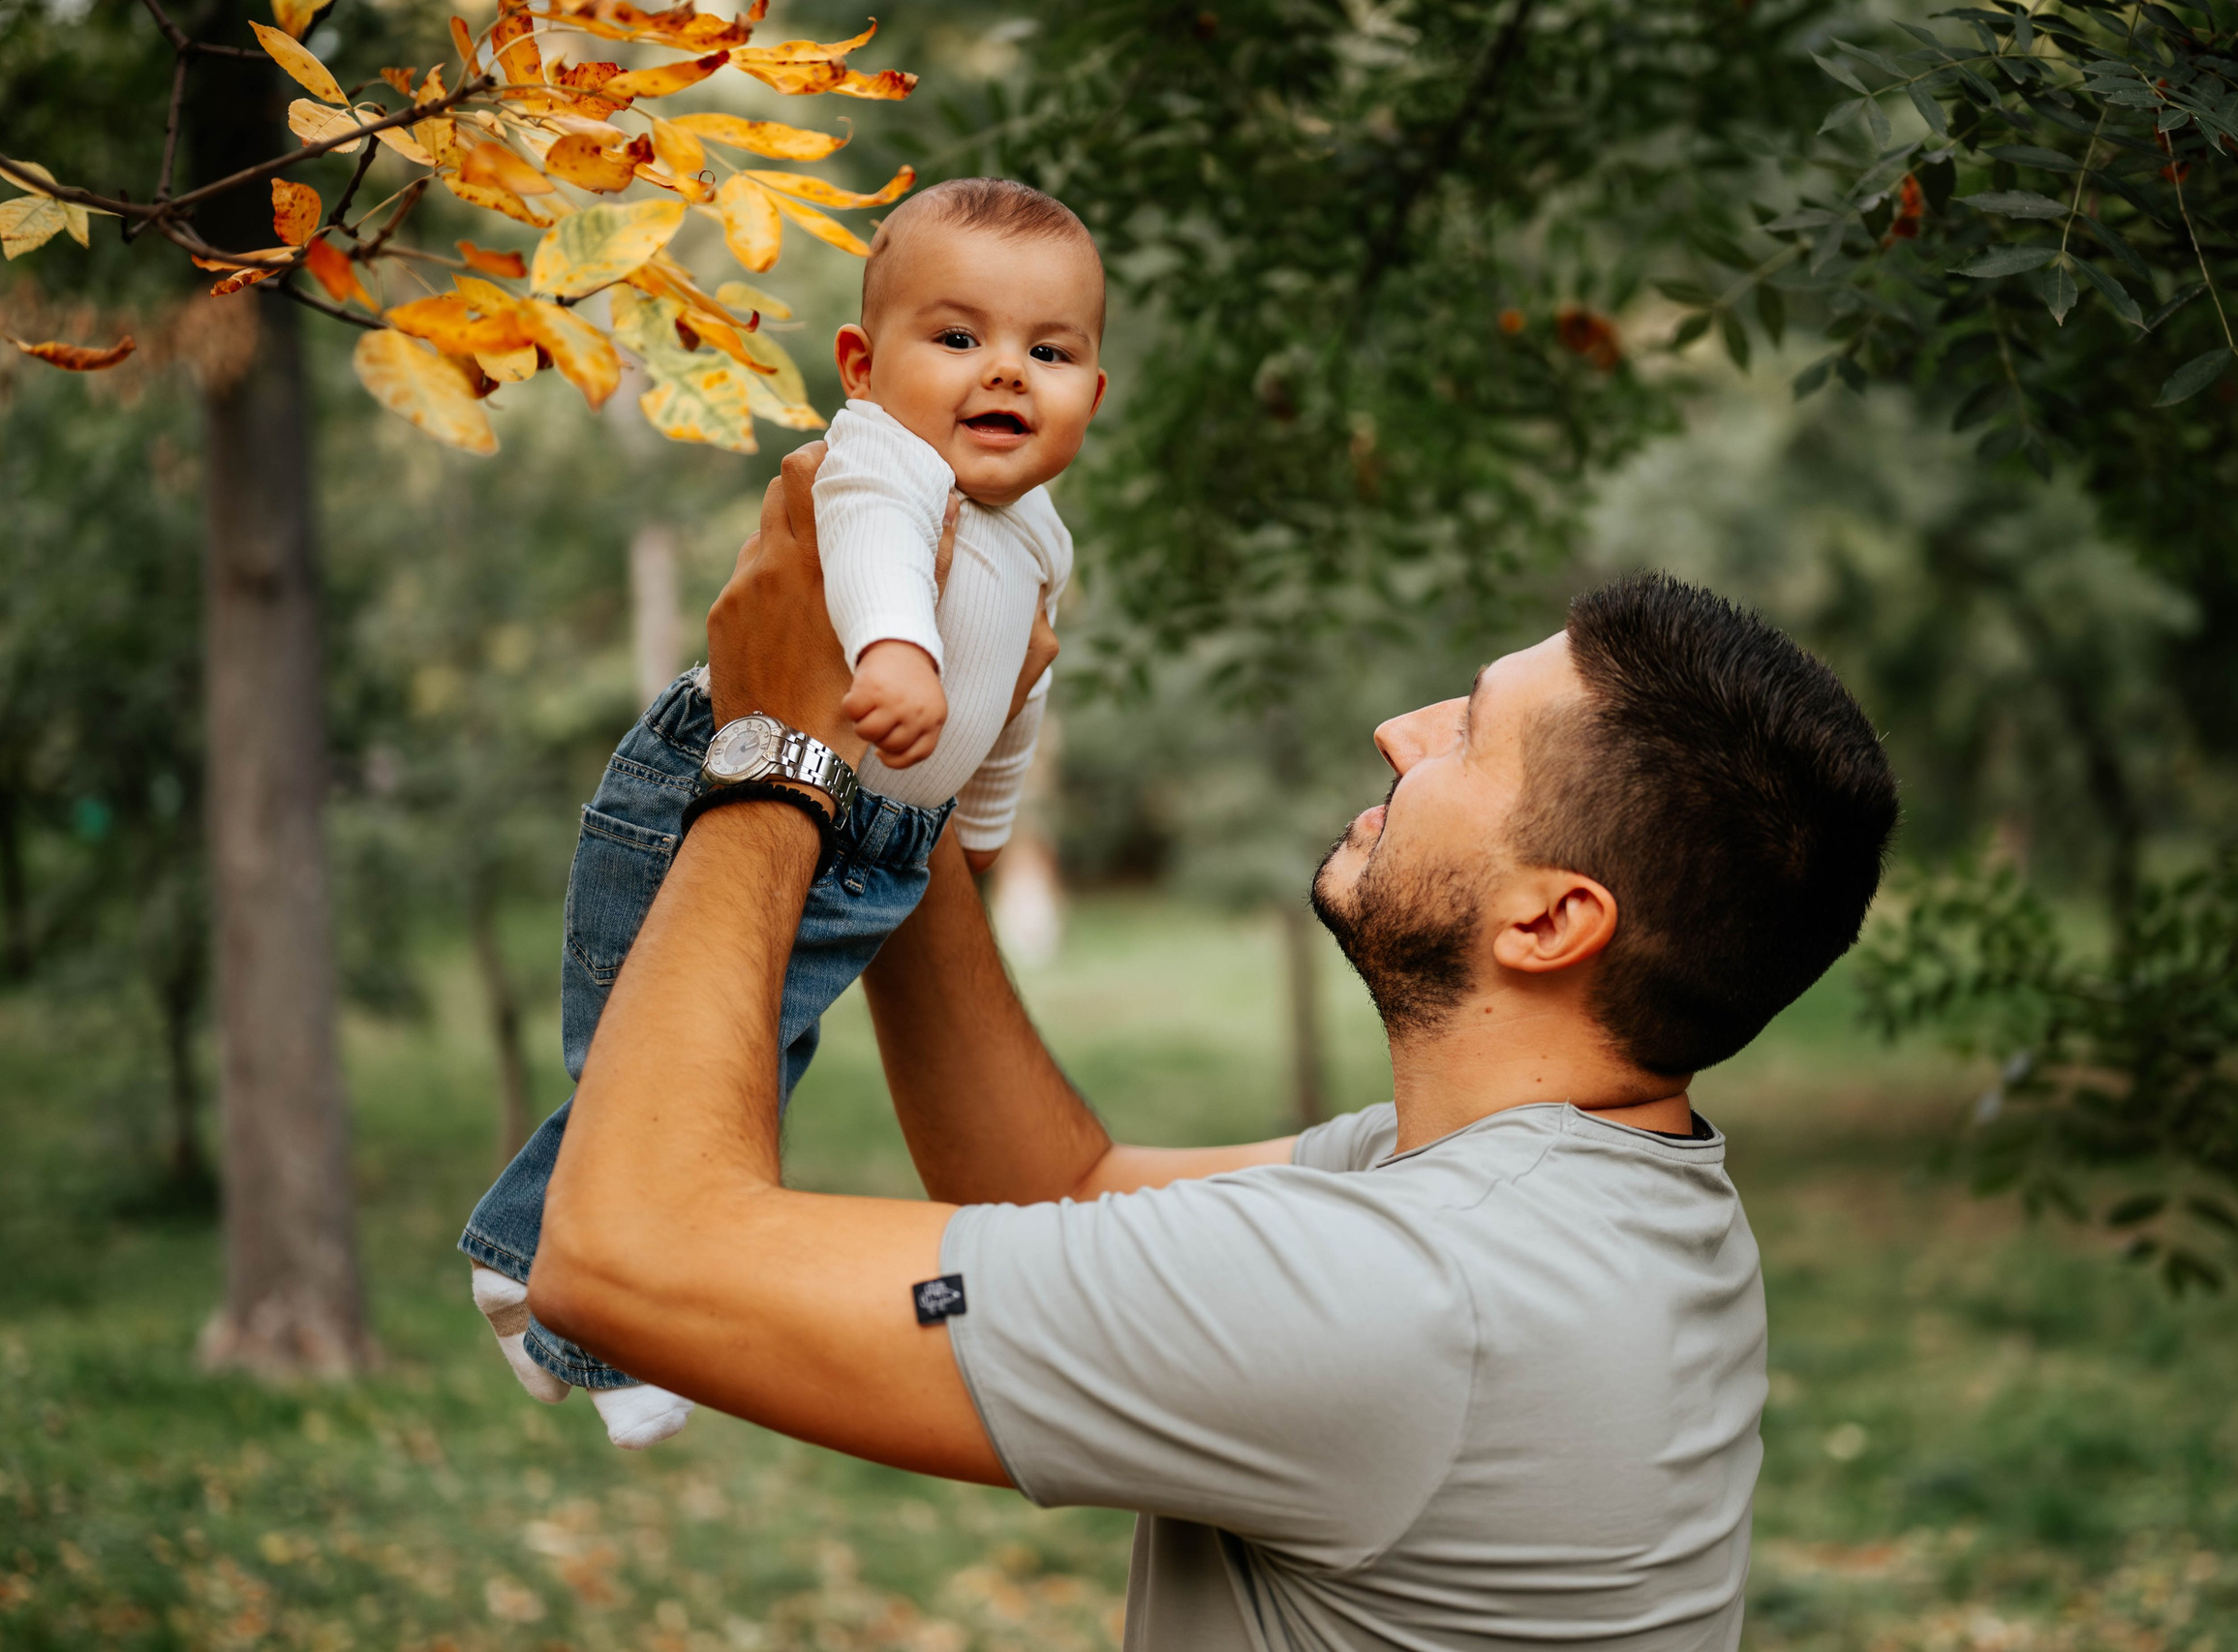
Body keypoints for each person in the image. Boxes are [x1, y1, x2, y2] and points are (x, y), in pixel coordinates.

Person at [527, 447, 1900, 1649]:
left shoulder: (1415, 1298)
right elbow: (1060, 1186)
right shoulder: (1557, 1189)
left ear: (1551, 919)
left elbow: (620, 1256)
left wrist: (778, 754)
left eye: (1468, 734)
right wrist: (916, 783)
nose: (1398, 732)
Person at [458, 176, 1105, 1448]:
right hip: (729, 770)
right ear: (863, 365)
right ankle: (576, 1297)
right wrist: (896, 653)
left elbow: (1023, 684)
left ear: (1096, 387)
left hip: (873, 839)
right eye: (958, 337)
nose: (1005, 374)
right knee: (669, 1048)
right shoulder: (883, 453)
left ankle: (547, 1268)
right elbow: (862, 535)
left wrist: (985, 821)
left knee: (751, 1054)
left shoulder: (1040, 536)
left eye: (1051, 351)